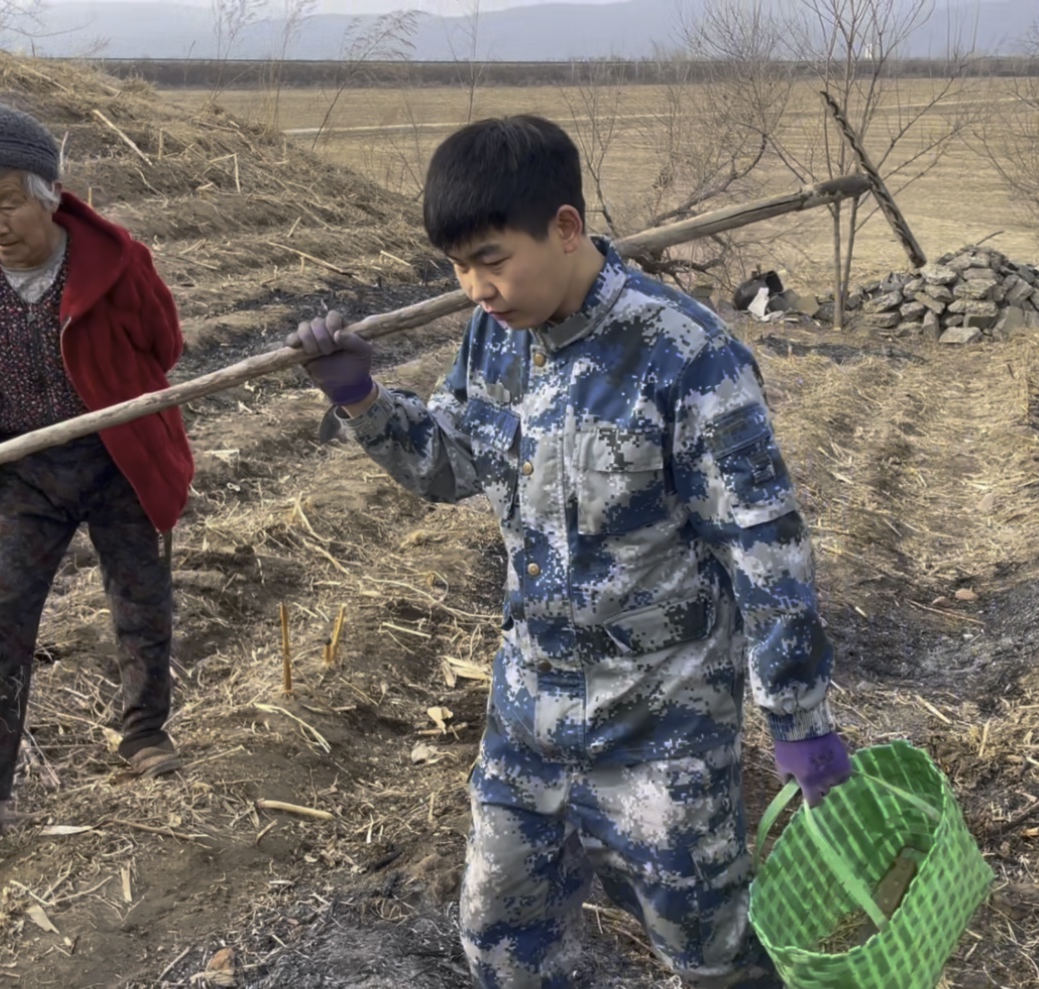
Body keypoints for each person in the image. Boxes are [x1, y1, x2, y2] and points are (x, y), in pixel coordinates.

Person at [287, 115, 851, 988]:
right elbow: (449, 463)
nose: (476, 287)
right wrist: (363, 400)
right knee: (501, 942)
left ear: (563, 227)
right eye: (457, 267)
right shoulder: (494, 336)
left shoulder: (687, 354)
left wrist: (799, 722)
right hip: (529, 713)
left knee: (709, 955)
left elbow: (766, 548)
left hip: (664, 721)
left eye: (491, 258)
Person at [0, 102, 195, 843]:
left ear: (49, 194)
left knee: (139, 597)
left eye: (8, 203)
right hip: (25, 464)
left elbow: (165, 342)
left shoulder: (116, 258)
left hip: (118, 452)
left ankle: (143, 734)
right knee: (2, 621)